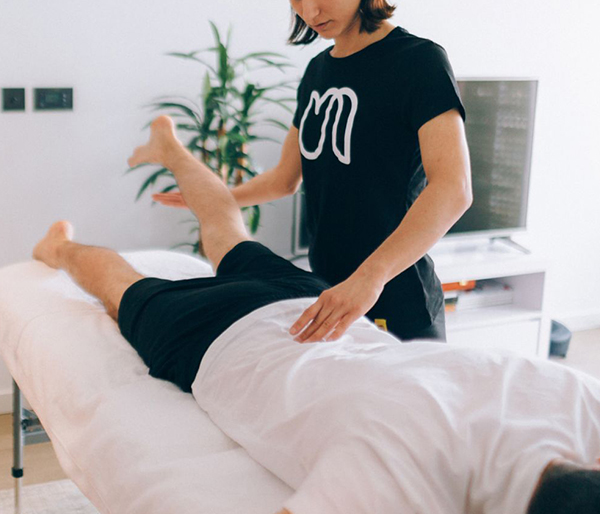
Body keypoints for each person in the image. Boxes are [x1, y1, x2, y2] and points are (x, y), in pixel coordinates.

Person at [33, 115, 600, 514]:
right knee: (123, 287)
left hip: (317, 306)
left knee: (224, 231)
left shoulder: (562, 394)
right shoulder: (400, 469)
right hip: (226, 346)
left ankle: (173, 149)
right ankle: (58, 250)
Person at [154, 0, 472, 345]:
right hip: (326, 291)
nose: (309, 10)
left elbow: (452, 189)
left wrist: (369, 278)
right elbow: (286, 179)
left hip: (397, 299)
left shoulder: (419, 62)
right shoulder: (318, 71)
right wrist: (214, 198)